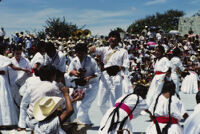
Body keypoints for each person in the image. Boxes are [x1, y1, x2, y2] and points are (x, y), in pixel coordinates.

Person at [90, 31, 129, 114]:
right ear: (108, 39)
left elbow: (126, 65)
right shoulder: (104, 49)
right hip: (105, 77)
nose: (112, 39)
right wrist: (92, 48)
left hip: (117, 77)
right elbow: (93, 50)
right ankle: (108, 117)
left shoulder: (123, 51)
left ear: (118, 40)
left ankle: (115, 121)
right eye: (111, 36)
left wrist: (118, 68)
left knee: (116, 102)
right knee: (101, 103)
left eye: (115, 37)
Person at [66, 43, 101, 124]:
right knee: (78, 106)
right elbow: (69, 73)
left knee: (84, 105)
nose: (80, 54)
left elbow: (98, 73)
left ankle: (81, 124)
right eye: (78, 52)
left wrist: (89, 77)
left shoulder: (91, 61)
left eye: (81, 52)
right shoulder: (74, 61)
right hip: (81, 85)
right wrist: (74, 72)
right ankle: (87, 122)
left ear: (85, 52)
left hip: (92, 85)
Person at [0, 44, 30, 125]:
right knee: (6, 100)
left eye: (19, 52)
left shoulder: (25, 61)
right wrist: (23, 69)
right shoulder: (7, 59)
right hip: (7, 82)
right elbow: (13, 68)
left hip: (21, 85)